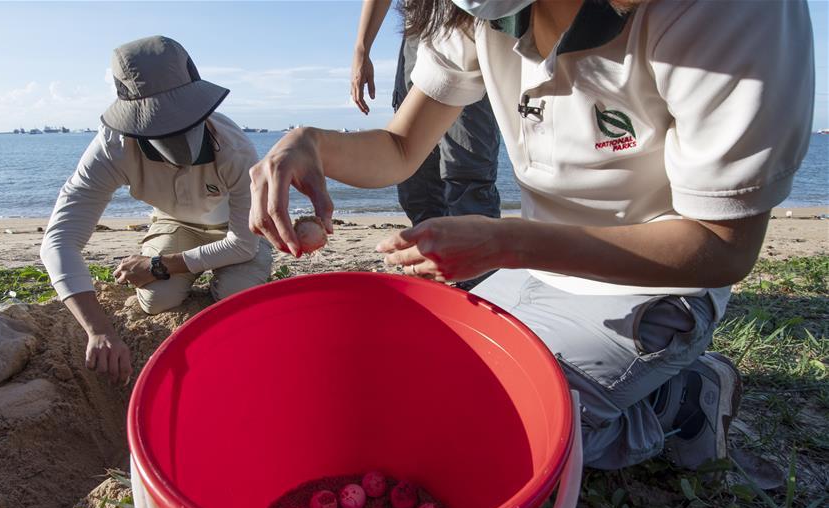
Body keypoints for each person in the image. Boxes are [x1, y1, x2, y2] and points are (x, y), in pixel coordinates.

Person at [249, 0, 814, 470]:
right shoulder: (472, 11)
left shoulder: (728, 15)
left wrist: (506, 242)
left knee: (498, 442)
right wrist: (312, 143)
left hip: (650, 282)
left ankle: (683, 400)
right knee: (409, 393)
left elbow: (722, 246)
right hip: (537, 266)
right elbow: (400, 148)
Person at [41, 36, 271, 384]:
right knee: (155, 300)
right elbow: (58, 242)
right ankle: (181, 275)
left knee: (235, 299)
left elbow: (242, 244)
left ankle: (211, 278)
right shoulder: (112, 148)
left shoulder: (234, 149)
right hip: (176, 222)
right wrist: (99, 330)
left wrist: (159, 264)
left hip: (239, 229)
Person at [351, 0, 501, 227]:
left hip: (465, 19)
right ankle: (431, 256)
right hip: (418, 27)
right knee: (416, 183)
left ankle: (472, 257)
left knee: (467, 175)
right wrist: (362, 48)